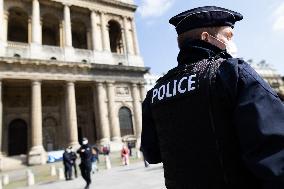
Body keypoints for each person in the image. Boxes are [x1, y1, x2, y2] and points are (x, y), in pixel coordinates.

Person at [141, 6, 284, 189]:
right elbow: (276, 151)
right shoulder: (232, 72)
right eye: (228, 35)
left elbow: (151, 153)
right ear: (206, 38)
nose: (231, 41)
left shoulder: (156, 91)